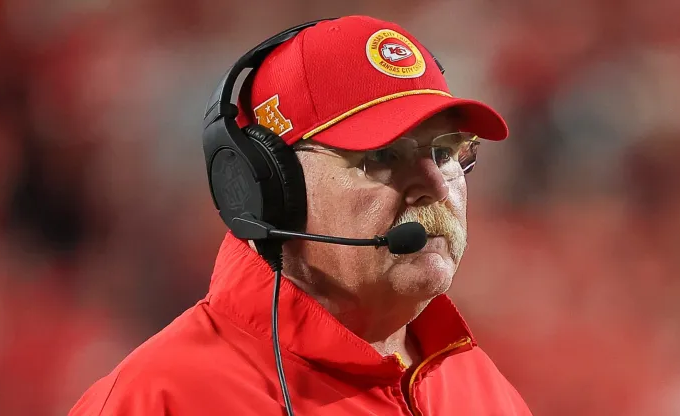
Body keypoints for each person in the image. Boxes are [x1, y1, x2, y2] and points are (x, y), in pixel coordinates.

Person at [69, 15, 532, 415]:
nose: (434, 185)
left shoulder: (486, 394)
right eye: (384, 157)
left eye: (447, 153)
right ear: (269, 188)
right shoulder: (157, 400)